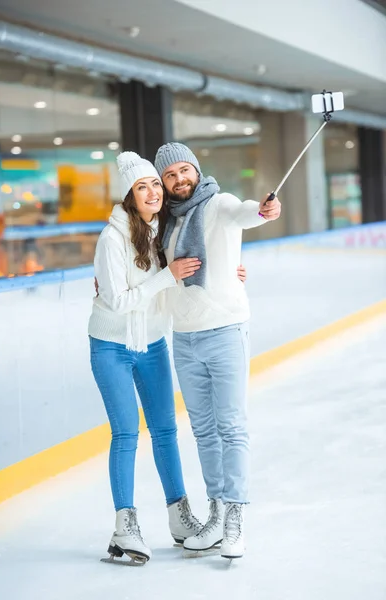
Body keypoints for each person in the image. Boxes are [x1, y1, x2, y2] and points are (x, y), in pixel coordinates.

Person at [89, 151, 247, 564]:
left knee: (165, 431)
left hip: (154, 342)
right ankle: (125, 526)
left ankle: (180, 518)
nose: (154, 191)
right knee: (126, 433)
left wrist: (231, 270)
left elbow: (204, 252)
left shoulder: (163, 229)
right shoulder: (112, 239)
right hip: (112, 346)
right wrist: (167, 275)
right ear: (129, 195)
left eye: (155, 184)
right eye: (143, 186)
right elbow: (120, 301)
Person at [154, 142, 281, 560]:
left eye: (184, 171)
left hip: (225, 329)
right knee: (204, 431)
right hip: (184, 337)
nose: (180, 180)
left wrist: (263, 211)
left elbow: (246, 212)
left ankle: (236, 516)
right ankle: (218, 509)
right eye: (170, 175)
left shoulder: (219, 203)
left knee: (231, 426)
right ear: (164, 182)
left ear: (196, 170)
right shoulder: (165, 226)